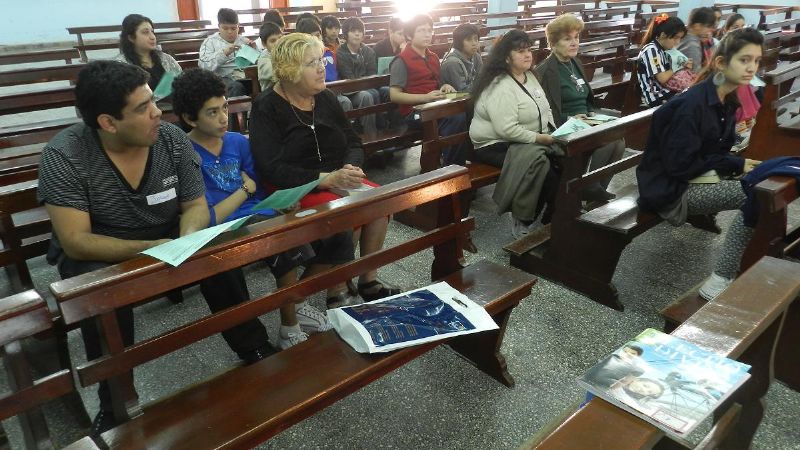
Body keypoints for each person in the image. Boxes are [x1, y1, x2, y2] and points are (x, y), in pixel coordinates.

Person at [36, 61, 275, 436]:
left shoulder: (170, 140)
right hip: (101, 248)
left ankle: (253, 346)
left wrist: (187, 241)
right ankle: (113, 401)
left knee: (216, 254)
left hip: (168, 231)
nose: (156, 113)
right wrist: (154, 248)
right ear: (108, 123)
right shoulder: (66, 156)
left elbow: (195, 207)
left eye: (153, 101)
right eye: (142, 108)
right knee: (97, 294)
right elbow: (76, 240)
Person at [172, 68, 354, 349]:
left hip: (262, 212)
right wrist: (244, 190)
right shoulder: (187, 154)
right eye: (212, 112)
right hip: (227, 226)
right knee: (284, 241)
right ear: (188, 118)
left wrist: (284, 200)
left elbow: (260, 186)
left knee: (337, 231)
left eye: (225, 107)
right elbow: (209, 216)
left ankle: (297, 302)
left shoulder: (236, 142)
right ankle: (289, 324)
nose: (223, 118)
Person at [249, 33, 401, 304]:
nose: (322, 67)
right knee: (349, 215)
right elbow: (271, 167)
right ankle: (336, 289)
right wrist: (325, 179)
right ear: (290, 71)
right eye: (312, 63)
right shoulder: (266, 107)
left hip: (336, 178)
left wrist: (350, 167)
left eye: (321, 60)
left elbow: (353, 141)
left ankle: (368, 280)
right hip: (294, 185)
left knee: (380, 203)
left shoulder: (327, 98)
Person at [636, 29, 764, 301]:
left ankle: (750, 266)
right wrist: (734, 164)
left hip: (695, 177)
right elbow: (680, 166)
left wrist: (736, 163)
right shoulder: (691, 105)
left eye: (756, 61)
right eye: (744, 60)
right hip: (671, 190)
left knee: (764, 180)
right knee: (754, 195)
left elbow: (715, 152)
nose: (752, 67)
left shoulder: (726, 100)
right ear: (720, 63)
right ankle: (720, 278)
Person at [469, 29, 559, 238]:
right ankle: (523, 219)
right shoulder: (500, 84)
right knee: (542, 167)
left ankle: (554, 217)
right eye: (520, 51)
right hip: (495, 145)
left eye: (529, 50)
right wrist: (540, 138)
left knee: (566, 161)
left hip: (526, 140)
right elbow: (506, 130)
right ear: (506, 57)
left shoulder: (529, 76)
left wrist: (555, 133)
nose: (528, 55)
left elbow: (545, 110)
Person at [535, 14, 624, 204]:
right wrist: (572, 119)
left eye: (576, 37)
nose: (574, 42)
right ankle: (587, 188)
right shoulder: (545, 71)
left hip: (585, 121)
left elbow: (587, 99)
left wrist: (592, 114)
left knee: (619, 141)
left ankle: (595, 194)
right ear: (553, 43)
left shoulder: (574, 63)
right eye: (567, 39)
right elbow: (547, 114)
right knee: (609, 142)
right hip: (563, 128)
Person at [389, 14, 467, 165]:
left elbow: (437, 85)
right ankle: (451, 168)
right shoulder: (401, 60)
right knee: (455, 118)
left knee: (467, 108)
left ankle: (457, 164)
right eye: (421, 30)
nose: (427, 34)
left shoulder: (433, 57)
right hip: (414, 112)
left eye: (429, 30)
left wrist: (444, 87)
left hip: (434, 105)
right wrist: (426, 98)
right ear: (410, 35)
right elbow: (394, 95)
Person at [336, 17, 383, 134]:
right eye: (353, 31)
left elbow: (372, 74)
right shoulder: (340, 52)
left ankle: (381, 130)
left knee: (378, 92)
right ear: (346, 34)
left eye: (360, 31)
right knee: (366, 96)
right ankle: (370, 134)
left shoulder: (369, 51)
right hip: (349, 90)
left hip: (367, 87)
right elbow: (349, 77)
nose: (357, 34)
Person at [114, 14, 182, 93]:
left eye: (152, 32)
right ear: (131, 38)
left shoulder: (166, 59)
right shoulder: (122, 66)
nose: (152, 37)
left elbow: (181, 84)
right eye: (145, 32)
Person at [296, 17, 352, 113]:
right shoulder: (299, 58)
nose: (316, 40)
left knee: (344, 101)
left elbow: (333, 78)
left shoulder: (328, 53)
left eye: (318, 35)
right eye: (311, 37)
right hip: (310, 94)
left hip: (332, 91)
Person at [199, 8, 257, 97]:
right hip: (221, 79)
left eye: (233, 28)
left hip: (244, 77)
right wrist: (224, 53)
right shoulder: (210, 42)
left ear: (238, 26)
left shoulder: (244, 41)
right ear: (219, 26)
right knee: (236, 87)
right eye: (225, 28)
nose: (230, 32)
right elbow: (203, 66)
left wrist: (254, 51)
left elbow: (255, 64)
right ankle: (239, 111)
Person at [636, 15, 689, 107]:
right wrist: (679, 66)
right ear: (663, 35)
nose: (677, 42)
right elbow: (662, 78)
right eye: (675, 38)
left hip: (667, 91)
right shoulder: (651, 50)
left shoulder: (663, 49)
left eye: (680, 38)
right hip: (657, 96)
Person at [440, 23, 482, 92]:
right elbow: (463, 90)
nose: (474, 43)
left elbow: (482, 79)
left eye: (476, 39)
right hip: (455, 100)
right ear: (459, 42)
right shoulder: (453, 63)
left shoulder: (476, 56)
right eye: (469, 39)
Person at [678, 7, 718, 74]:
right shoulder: (692, 46)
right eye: (708, 26)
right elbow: (696, 75)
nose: (712, 30)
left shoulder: (683, 34)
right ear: (697, 26)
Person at [257, 22, 282, 91]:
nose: (278, 43)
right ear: (264, 44)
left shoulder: (284, 53)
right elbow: (280, 74)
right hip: (271, 97)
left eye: (280, 38)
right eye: (273, 41)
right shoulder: (264, 59)